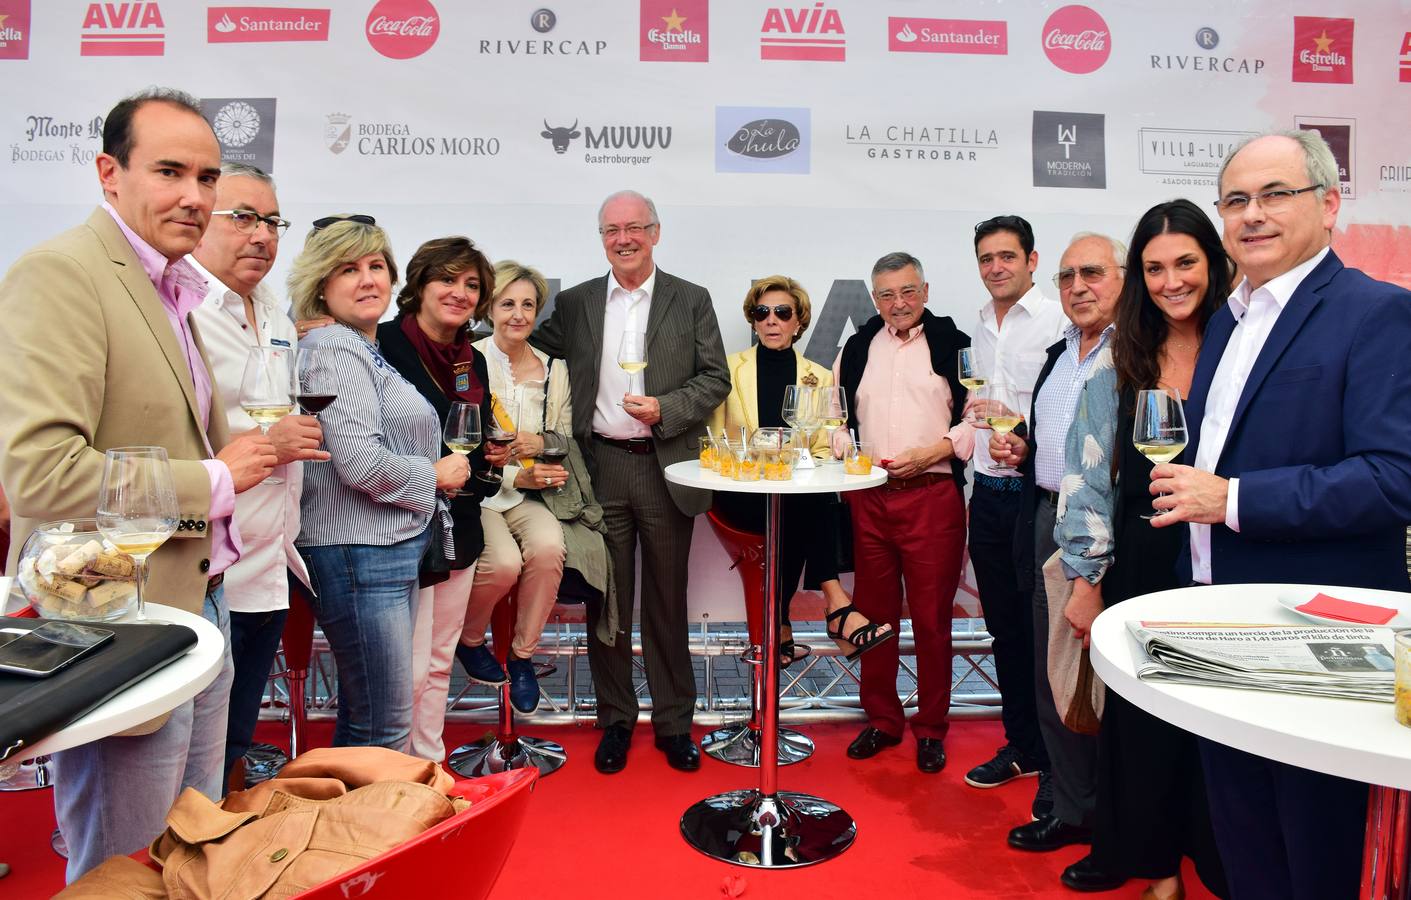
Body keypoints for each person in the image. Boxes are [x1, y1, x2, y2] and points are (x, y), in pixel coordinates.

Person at [0, 88, 279, 881]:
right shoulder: (61, 275)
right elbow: (43, 474)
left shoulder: (171, 286)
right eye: (169, 171)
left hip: (198, 601)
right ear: (108, 172)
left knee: (182, 852)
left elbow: (158, 435)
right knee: (121, 870)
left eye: (207, 176)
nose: (195, 196)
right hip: (119, 621)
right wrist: (219, 477)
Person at [1151, 130, 1411, 899]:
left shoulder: (1377, 313)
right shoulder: (1230, 319)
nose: (1250, 215)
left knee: (1313, 849)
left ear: (1328, 205)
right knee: (1243, 844)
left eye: (1273, 195)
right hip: (1214, 618)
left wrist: (1231, 500)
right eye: (1235, 200)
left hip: (1313, 635)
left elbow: (1393, 478)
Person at [1053, 200, 1230, 898]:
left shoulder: (1240, 345)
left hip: (1232, 563)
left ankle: (1221, 862)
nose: (1169, 280)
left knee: (1221, 727)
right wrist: (1084, 579)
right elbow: (1086, 475)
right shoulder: (1119, 358)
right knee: (1146, 723)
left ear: (1212, 264)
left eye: (1184, 262)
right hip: (1145, 561)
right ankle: (1157, 869)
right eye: (1154, 267)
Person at [532, 189, 730, 774]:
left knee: (668, 604)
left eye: (635, 228)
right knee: (608, 604)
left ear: (656, 233)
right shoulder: (574, 304)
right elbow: (522, 352)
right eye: (612, 229)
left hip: (666, 465)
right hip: (600, 472)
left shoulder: (690, 299)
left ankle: (674, 724)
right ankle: (615, 721)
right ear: (601, 238)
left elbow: (715, 377)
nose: (624, 238)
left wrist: (666, 406)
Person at [288, 216, 469, 751]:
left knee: (374, 716)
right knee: (381, 726)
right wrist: (433, 475)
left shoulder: (359, 345)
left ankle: (363, 829)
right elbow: (359, 461)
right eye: (348, 269)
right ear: (321, 285)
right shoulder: (336, 349)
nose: (368, 279)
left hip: (380, 549)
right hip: (358, 553)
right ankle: (367, 835)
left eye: (376, 266)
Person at [188, 163, 328, 789]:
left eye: (272, 222)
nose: (262, 235)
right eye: (243, 218)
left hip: (271, 560)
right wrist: (267, 444)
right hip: (203, 569)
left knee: (235, 734)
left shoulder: (273, 311)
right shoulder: (182, 312)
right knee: (185, 750)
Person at [989, 232, 1124, 849]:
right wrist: (1024, 448)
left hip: (1101, 532)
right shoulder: (1061, 351)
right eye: (1068, 277)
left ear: (1123, 278)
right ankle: (1074, 809)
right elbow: (1061, 443)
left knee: (1100, 680)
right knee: (1055, 674)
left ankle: (1106, 818)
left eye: (1091, 273)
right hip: (1041, 516)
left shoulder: (1135, 354)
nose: (1077, 287)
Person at [833, 251, 973, 775]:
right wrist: (845, 448)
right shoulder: (857, 346)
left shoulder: (954, 344)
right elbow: (836, 416)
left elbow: (976, 419)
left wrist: (932, 452)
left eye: (908, 291)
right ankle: (883, 720)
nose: (899, 303)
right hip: (869, 496)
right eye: (887, 294)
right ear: (875, 299)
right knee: (873, 615)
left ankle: (932, 727)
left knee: (934, 620)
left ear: (926, 291)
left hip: (932, 496)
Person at [708, 275, 894, 667]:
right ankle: (835, 605)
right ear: (754, 321)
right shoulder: (728, 370)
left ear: (798, 321)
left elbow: (825, 446)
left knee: (803, 501)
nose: (771, 320)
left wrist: (794, 461)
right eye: (762, 313)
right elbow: (713, 438)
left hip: (791, 496)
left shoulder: (819, 376)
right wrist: (757, 454)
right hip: (741, 494)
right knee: (805, 506)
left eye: (782, 312)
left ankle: (781, 622)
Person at [462, 260, 613, 715]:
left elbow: (563, 436)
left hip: (531, 494)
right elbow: (461, 438)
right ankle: (469, 640)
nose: (518, 314)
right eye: (508, 303)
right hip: (482, 491)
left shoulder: (555, 369)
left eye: (528, 305)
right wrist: (516, 474)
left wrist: (543, 450)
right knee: (504, 564)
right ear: (490, 307)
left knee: (549, 549)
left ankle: (522, 655)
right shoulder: (468, 359)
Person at [369, 236, 496, 764]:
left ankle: (430, 762)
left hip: (460, 524)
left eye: (471, 285)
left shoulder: (474, 361)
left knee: (440, 657)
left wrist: (492, 459)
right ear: (418, 286)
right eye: (447, 279)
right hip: (403, 526)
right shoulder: (378, 346)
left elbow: (479, 443)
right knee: (411, 665)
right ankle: (398, 773)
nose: (459, 293)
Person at [962, 215, 1067, 796]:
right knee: (1003, 629)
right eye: (985, 259)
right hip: (988, 494)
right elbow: (978, 403)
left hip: (1037, 499)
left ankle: (1059, 765)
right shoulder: (979, 325)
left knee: (1042, 634)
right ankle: (1022, 746)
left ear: (1031, 260)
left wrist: (1027, 447)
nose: (996, 267)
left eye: (1006, 256)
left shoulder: (1058, 321)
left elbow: (1066, 412)